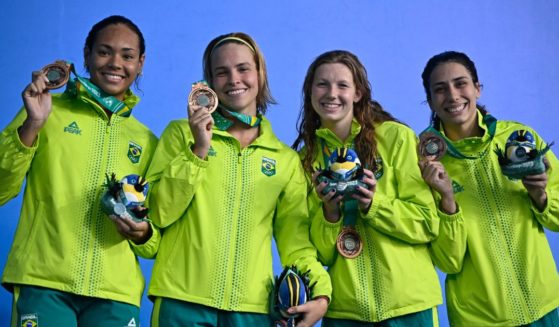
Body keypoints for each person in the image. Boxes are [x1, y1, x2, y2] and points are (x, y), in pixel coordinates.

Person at [146, 32, 331, 327]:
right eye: (222, 72)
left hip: (252, 310)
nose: (234, 79)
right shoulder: (181, 135)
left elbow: (295, 241)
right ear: (209, 83)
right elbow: (157, 213)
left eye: (243, 68)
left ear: (260, 74)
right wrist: (198, 150)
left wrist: (321, 293)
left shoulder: (284, 160)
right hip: (181, 302)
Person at [0, 15, 159, 326]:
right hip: (45, 282)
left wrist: (144, 234)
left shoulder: (147, 141)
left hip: (116, 294)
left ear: (140, 63)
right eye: (104, 51)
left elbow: (154, 237)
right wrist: (32, 124)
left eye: (127, 55)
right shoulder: (47, 111)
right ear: (86, 54)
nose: (115, 63)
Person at [292, 50, 441, 326]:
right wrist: (330, 213)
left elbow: (427, 223)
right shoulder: (306, 162)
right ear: (310, 92)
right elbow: (322, 254)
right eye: (322, 84)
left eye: (342, 85)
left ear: (358, 93)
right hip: (346, 312)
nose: (331, 93)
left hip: (409, 306)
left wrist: (374, 205)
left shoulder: (395, 137)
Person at [419, 51, 559, 326]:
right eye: (440, 89)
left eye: (461, 84)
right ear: (431, 101)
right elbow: (448, 262)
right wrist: (447, 200)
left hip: (545, 306)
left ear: (477, 89)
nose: (453, 95)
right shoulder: (424, 165)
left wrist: (540, 196)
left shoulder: (519, 139)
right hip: (479, 319)